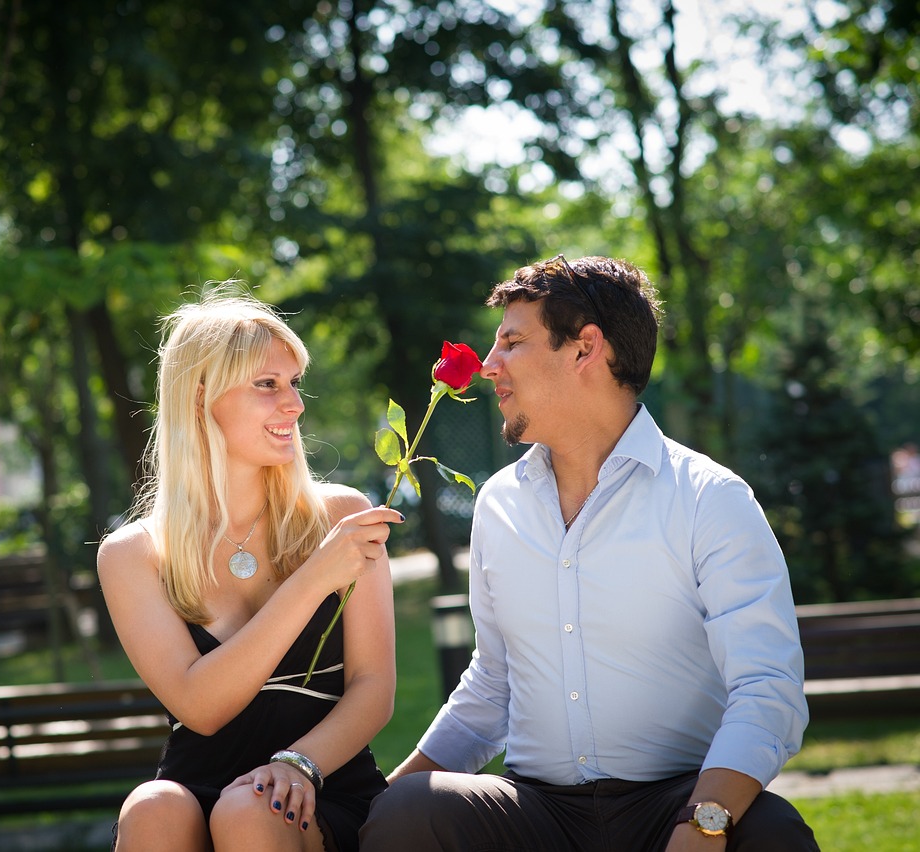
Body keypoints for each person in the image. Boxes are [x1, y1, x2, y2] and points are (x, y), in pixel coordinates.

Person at [360, 255, 819, 851]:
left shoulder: (711, 499)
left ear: (585, 349)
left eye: (512, 342)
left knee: (771, 834)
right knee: (408, 811)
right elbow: (493, 684)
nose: (489, 366)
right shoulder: (498, 505)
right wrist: (381, 806)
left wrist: (704, 821)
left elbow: (767, 687)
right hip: (535, 812)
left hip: (674, 802)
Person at [99, 288, 402, 852]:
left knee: (250, 810)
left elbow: (374, 686)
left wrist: (299, 763)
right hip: (196, 783)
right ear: (199, 397)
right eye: (268, 384)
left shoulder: (341, 515)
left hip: (321, 785)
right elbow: (200, 709)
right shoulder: (131, 554)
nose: (295, 404)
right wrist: (313, 578)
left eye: (294, 383)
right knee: (151, 806)